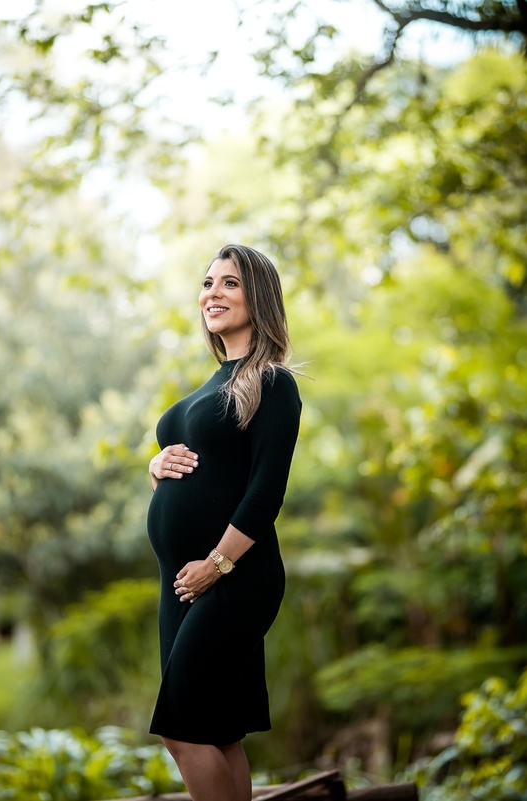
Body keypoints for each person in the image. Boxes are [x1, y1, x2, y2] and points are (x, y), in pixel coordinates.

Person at [145, 244, 303, 800]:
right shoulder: (217, 382)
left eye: (229, 284)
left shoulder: (273, 383)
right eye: (208, 283)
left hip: (233, 577)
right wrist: (155, 464)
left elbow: (265, 492)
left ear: (257, 297)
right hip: (183, 586)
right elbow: (199, 468)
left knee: (181, 730)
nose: (213, 293)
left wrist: (217, 565)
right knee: (217, 732)